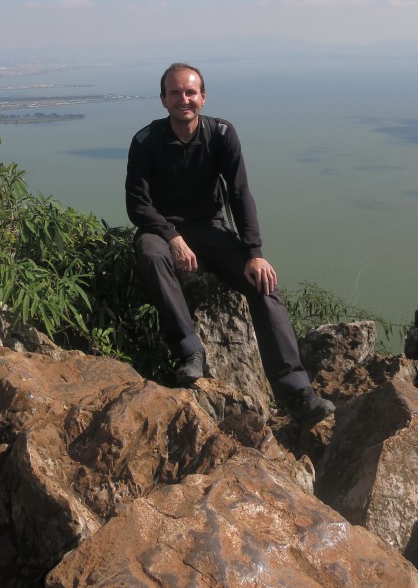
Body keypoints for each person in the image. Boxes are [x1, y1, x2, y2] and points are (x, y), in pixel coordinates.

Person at [125, 62, 335, 424]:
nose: (183, 99)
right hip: (162, 230)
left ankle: (296, 392)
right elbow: (137, 204)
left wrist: (254, 252)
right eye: (174, 93)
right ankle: (190, 353)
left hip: (210, 227)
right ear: (162, 100)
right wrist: (172, 236)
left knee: (263, 283)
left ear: (203, 98)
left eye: (190, 92)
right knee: (150, 253)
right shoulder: (147, 141)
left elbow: (240, 194)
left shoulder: (221, 134)